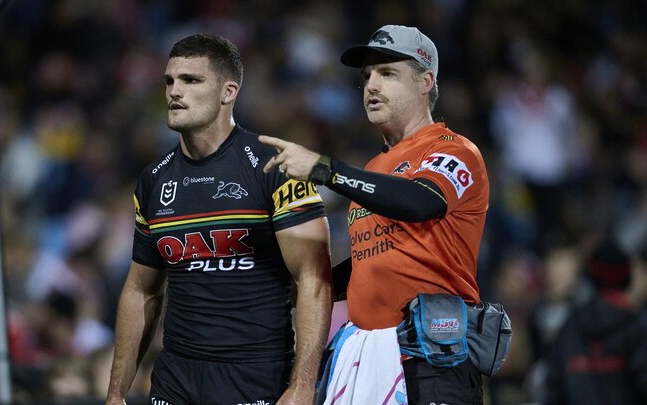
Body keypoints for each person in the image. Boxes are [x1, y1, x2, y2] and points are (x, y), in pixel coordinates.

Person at [259, 25, 489, 404]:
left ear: (425, 81)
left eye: (387, 73)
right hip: (363, 351)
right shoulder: (375, 167)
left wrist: (325, 169)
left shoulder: (454, 150)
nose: (371, 85)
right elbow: (373, 259)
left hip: (428, 354)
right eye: (367, 76)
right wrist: (301, 287)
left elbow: (420, 202)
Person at [105, 33, 333, 405]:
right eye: (169, 81)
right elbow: (141, 289)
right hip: (175, 379)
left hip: (254, 377)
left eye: (190, 80)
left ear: (229, 92)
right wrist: (116, 392)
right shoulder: (153, 180)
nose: (174, 91)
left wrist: (303, 384)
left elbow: (313, 279)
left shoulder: (275, 166)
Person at [543, 237, 647, 405]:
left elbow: (553, 389)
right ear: (627, 277)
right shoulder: (635, 328)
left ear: (591, 276)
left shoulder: (569, 326)